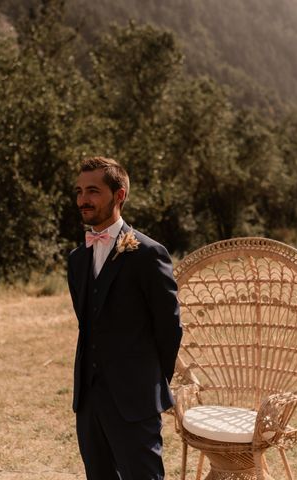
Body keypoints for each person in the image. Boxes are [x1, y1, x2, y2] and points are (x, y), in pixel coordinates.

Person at [67, 157, 183, 480]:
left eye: (93, 191)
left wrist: (148, 384)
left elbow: (169, 329)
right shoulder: (77, 260)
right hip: (89, 403)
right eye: (79, 191)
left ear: (119, 196)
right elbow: (88, 323)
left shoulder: (149, 254)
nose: (83, 200)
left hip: (135, 402)